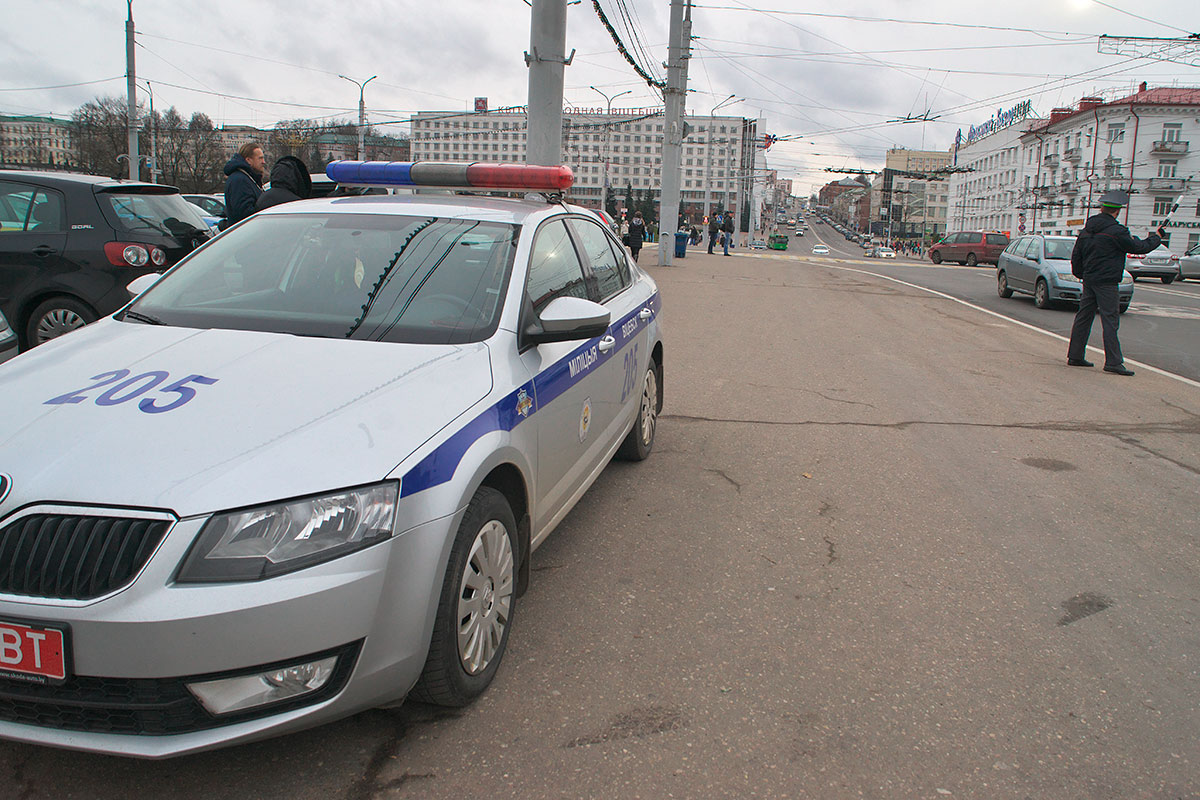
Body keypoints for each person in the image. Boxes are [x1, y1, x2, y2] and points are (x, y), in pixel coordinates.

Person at [1066, 189, 1163, 376]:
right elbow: (1138, 247)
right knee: (1110, 320)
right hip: (1107, 282)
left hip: (1090, 279)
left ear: (1102, 208)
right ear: (1117, 211)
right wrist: (1156, 238)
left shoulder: (1087, 230)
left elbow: (1077, 254)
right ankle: (1113, 362)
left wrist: (1081, 273)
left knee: (1083, 317)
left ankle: (1075, 355)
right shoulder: (1117, 231)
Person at [221, 142, 266, 229]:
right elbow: (244, 214)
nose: (263, 162)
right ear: (249, 160)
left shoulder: (247, 178)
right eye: (260, 158)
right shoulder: (240, 180)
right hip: (244, 233)